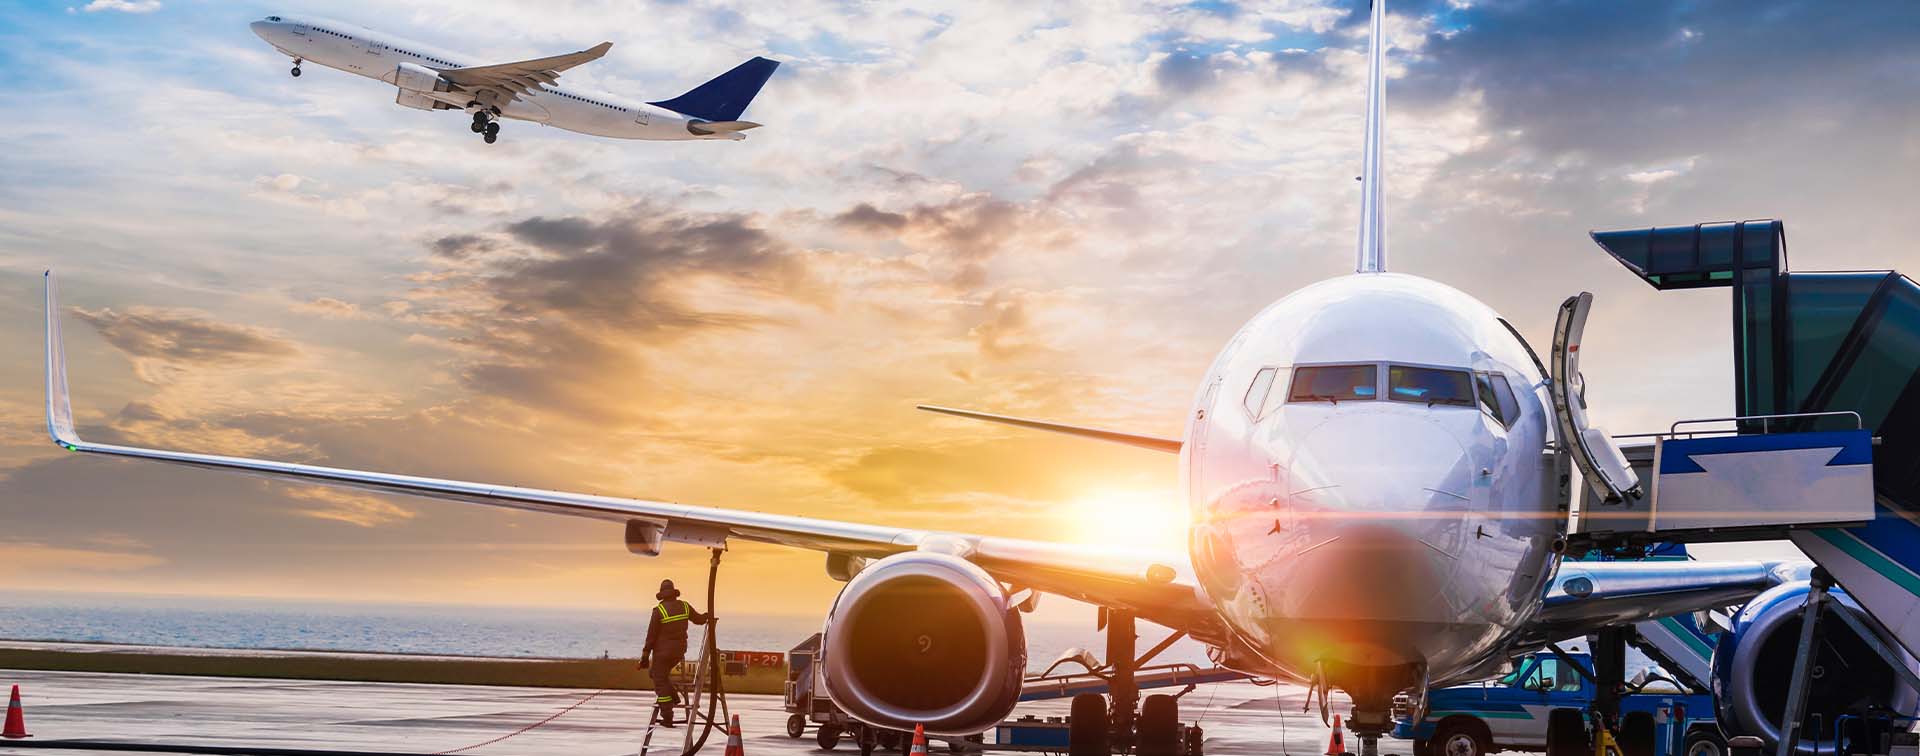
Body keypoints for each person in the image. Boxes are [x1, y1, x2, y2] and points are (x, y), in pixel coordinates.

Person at [639, 578, 709, 727]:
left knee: (659, 680)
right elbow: (699, 620)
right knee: (656, 674)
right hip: (679, 651)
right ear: (674, 593)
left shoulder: (659, 611)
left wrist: (645, 656)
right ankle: (675, 697)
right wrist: (708, 616)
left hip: (662, 653)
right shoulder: (685, 606)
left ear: (662, 595)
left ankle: (667, 716)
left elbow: (651, 636)